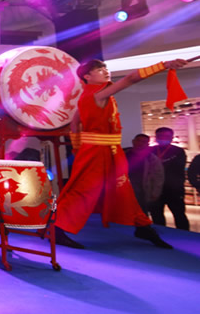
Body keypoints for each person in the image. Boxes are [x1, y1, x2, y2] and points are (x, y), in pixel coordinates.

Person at [53, 59, 187, 249]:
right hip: (97, 152)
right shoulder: (98, 94)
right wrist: (163, 65)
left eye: (105, 68)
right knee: (84, 191)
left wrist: (77, 148)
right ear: (87, 76)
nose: (105, 71)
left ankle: (142, 226)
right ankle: (58, 228)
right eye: (99, 69)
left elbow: (75, 123)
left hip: (106, 150)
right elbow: (130, 79)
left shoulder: (89, 96)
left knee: (123, 189)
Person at [149, 127, 188, 230]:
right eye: (160, 136)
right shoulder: (150, 150)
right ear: (156, 137)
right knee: (156, 215)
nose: (163, 138)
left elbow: (178, 167)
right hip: (155, 189)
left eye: (166, 136)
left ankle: (185, 236)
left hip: (174, 190)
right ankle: (161, 235)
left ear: (171, 137)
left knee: (179, 215)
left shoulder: (178, 151)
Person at [125, 133, 164, 215]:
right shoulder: (123, 155)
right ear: (133, 141)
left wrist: (155, 192)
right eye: (138, 140)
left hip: (142, 191)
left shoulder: (152, 159)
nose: (140, 143)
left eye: (144, 142)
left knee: (142, 213)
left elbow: (158, 176)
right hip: (124, 190)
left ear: (147, 144)